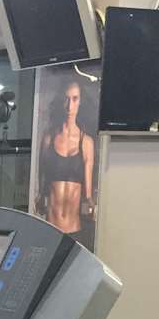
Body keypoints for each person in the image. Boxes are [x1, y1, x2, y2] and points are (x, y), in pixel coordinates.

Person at [38, 79, 94, 238]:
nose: (70, 106)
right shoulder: (49, 138)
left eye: (75, 99)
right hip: (51, 226)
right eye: (66, 99)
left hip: (75, 228)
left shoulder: (86, 142)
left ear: (80, 101)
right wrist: (40, 196)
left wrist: (92, 205)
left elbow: (88, 194)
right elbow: (42, 174)